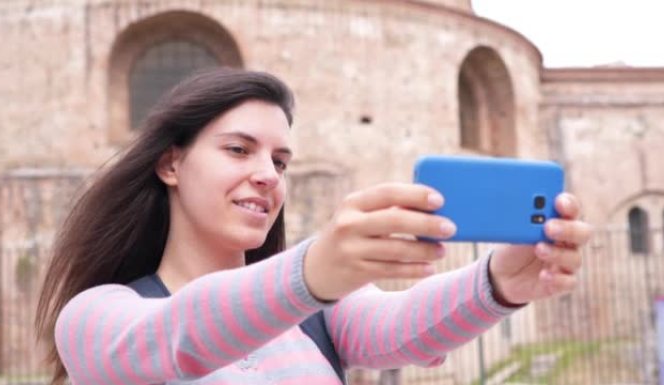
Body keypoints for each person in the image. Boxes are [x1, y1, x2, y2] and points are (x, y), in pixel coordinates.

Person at [35, 68, 592, 385]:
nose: (266, 176)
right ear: (171, 163)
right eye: (238, 150)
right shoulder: (94, 318)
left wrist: (501, 282)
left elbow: (400, 325)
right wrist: (313, 271)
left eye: (279, 162)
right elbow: (181, 336)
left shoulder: (316, 317)